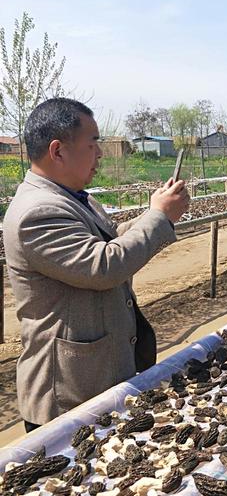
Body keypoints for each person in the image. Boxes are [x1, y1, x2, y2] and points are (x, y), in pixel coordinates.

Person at [3, 98, 190, 431]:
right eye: (93, 143)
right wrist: (160, 218)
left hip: (96, 378)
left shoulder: (77, 197)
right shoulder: (38, 212)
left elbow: (109, 240)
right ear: (58, 151)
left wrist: (154, 215)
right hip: (66, 395)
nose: (101, 153)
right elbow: (103, 267)